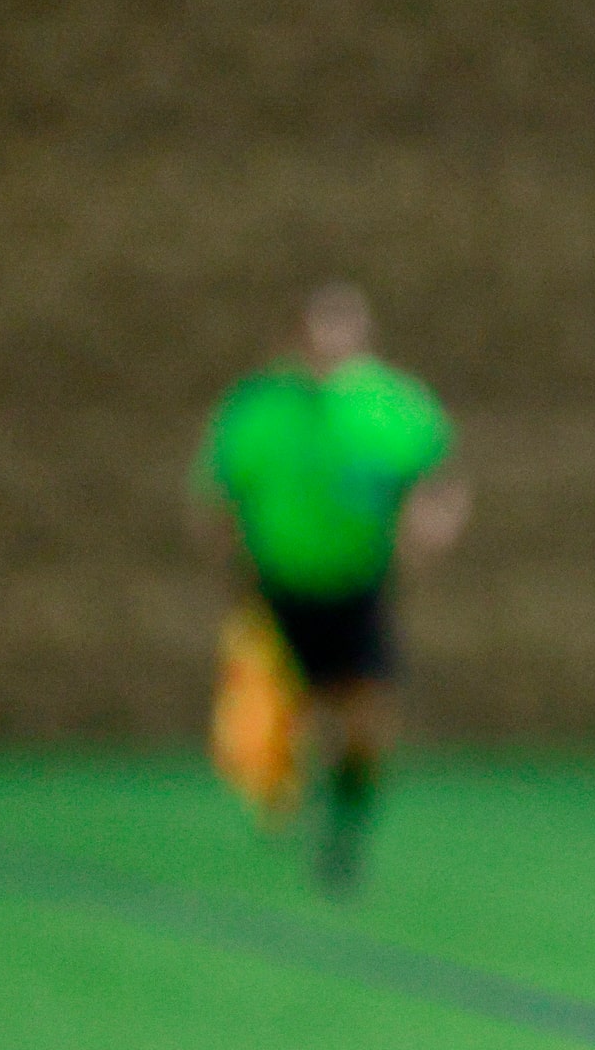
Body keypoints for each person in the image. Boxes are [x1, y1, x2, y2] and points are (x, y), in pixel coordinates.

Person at [193, 283, 467, 891]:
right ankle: (282, 791)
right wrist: (224, 567)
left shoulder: (392, 405)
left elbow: (437, 481)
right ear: (293, 340)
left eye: (344, 333)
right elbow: (220, 494)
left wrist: (429, 526)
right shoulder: (258, 409)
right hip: (277, 585)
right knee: (281, 720)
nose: (331, 347)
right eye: (319, 334)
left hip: (357, 587)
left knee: (366, 722)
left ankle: (345, 819)